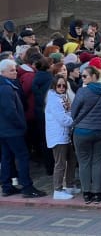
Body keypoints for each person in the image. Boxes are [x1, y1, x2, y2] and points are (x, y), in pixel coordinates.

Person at [0, 59, 47, 198]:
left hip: (5, 130)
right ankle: (27, 186)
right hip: (12, 130)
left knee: (7, 157)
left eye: (15, 69)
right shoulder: (6, 88)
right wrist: (21, 124)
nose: (15, 72)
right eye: (11, 70)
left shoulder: (6, 85)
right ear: (2, 72)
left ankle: (7, 186)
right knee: (22, 156)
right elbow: (10, 111)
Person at [71, 66, 101, 204]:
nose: (82, 78)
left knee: (84, 162)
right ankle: (97, 193)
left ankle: (86, 193)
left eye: (85, 76)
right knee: (98, 162)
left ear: (94, 76)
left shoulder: (82, 92)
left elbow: (73, 112)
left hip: (82, 130)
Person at [45, 75, 79, 200]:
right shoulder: (54, 100)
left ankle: (70, 185)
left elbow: (68, 112)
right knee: (60, 163)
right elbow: (63, 119)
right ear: (54, 86)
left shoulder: (63, 97)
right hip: (58, 135)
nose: (61, 87)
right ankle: (57, 189)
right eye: (59, 85)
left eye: (64, 85)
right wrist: (75, 121)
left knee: (71, 160)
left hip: (66, 134)